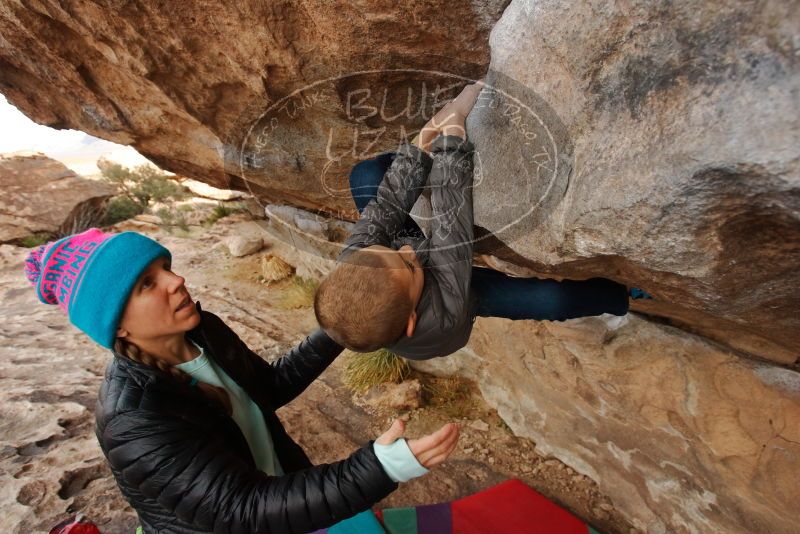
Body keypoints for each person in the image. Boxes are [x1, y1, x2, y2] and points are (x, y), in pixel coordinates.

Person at [23, 228, 459, 533]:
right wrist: (378, 468)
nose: (177, 281)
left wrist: (344, 324)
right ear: (115, 325)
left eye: (166, 268)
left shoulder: (202, 332)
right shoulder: (134, 420)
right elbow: (242, 509)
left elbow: (267, 389)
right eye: (147, 284)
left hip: (278, 493)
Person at [314, 81, 651, 359]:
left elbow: (385, 207)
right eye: (410, 267)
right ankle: (620, 295)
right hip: (457, 294)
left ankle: (422, 164)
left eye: (385, 251)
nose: (407, 252)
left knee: (366, 177)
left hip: (423, 279)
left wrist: (426, 138)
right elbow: (451, 223)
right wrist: (454, 133)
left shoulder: (358, 260)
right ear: (412, 320)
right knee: (552, 301)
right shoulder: (441, 317)